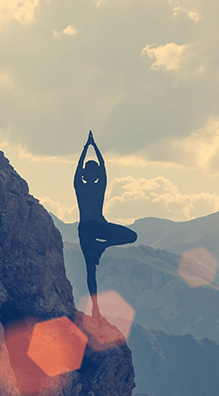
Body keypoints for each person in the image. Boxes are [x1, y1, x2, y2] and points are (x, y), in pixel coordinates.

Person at [75, 131, 137, 317]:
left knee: (90, 269)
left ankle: (102, 246)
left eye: (94, 172)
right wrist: (91, 147)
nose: (94, 174)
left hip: (88, 228)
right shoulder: (93, 186)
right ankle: (95, 309)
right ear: (88, 175)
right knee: (90, 269)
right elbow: (101, 167)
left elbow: (96, 167)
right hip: (93, 227)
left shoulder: (81, 186)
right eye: (92, 172)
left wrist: (88, 147)